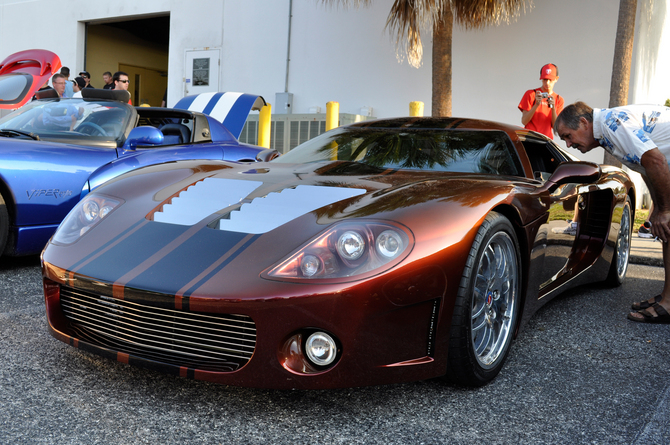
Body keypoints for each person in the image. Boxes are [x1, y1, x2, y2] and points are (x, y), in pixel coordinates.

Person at [554, 101, 670, 323]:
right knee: (667, 229)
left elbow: (656, 161)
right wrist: (658, 207)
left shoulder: (612, 125)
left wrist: (664, 210)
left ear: (583, 122)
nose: (568, 144)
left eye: (568, 136)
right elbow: (646, 165)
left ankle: (669, 303)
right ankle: (668, 297)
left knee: (669, 226)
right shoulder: (606, 131)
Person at [518, 63, 564, 138]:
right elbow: (524, 121)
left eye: (550, 80)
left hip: (546, 140)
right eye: (545, 79)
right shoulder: (531, 94)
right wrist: (536, 104)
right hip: (530, 138)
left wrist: (553, 109)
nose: (547, 83)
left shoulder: (559, 99)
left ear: (556, 79)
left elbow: (555, 127)